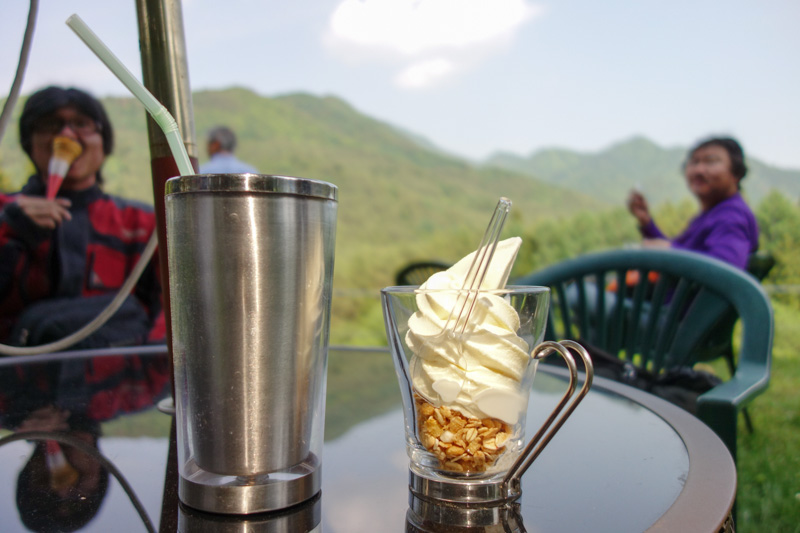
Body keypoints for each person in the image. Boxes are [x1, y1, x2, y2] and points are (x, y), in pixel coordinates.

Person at [0, 86, 164, 348]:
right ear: (29, 141)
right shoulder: (5, 211)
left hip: (118, 370)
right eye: (50, 125)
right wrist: (8, 231)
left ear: (104, 142)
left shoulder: (141, 223)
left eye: (82, 124)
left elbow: (170, 313)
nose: (66, 135)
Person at [627, 136, 759, 270]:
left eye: (711, 161)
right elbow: (683, 250)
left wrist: (671, 251)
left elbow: (725, 269)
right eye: (694, 162)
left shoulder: (732, 215)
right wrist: (646, 222)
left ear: (736, 173)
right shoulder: (712, 214)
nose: (698, 170)